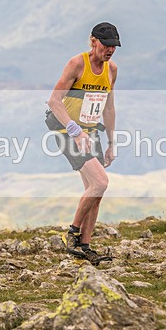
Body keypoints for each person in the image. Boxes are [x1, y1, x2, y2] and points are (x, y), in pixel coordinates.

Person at [47, 22, 119, 265]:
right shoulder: (77, 64)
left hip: (90, 132)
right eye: (106, 45)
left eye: (114, 47)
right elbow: (54, 101)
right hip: (65, 129)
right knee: (101, 182)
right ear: (93, 41)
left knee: (95, 191)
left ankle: (85, 247)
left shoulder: (112, 70)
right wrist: (74, 129)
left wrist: (111, 143)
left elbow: (108, 107)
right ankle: (72, 234)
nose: (109, 50)